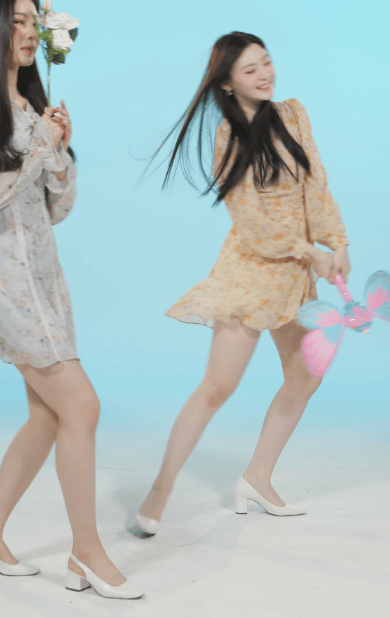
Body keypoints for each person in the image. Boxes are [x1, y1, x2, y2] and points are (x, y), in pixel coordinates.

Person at [0, 0, 144, 600]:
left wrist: (58, 149)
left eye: (35, 21)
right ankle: (86, 553)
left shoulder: (33, 108)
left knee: (47, 413)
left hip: (43, 276)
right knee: (82, 406)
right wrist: (41, 144)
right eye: (17, 21)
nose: (30, 32)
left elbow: (56, 209)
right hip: (1, 277)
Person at [135, 31, 350, 536]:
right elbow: (252, 223)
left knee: (307, 375)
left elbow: (316, 184)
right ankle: (159, 490)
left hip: (294, 278)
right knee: (218, 387)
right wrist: (311, 252)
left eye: (267, 62)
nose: (265, 74)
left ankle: (257, 478)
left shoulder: (293, 114)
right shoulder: (228, 138)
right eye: (250, 69)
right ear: (228, 84)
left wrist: (337, 242)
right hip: (251, 274)